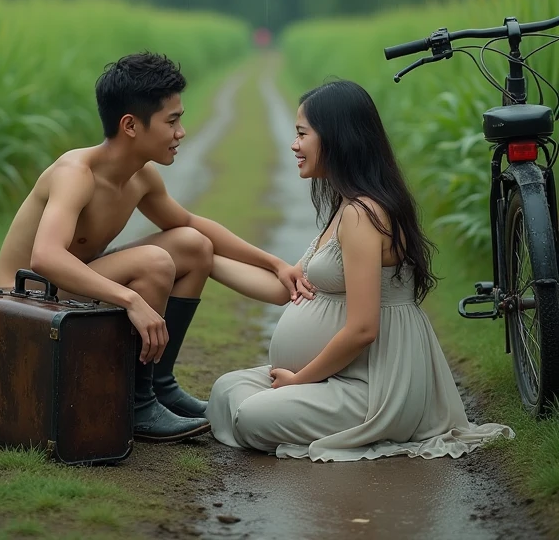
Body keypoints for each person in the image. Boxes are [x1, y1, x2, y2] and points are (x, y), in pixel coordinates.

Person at [0, 52, 300, 443]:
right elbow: (46, 257)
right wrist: (132, 300)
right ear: (130, 125)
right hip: (22, 301)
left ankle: (159, 385)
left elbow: (189, 224)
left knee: (193, 245)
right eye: (172, 121)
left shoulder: (141, 177)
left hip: (65, 289)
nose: (181, 132)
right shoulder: (76, 174)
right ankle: (137, 407)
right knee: (155, 262)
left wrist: (275, 264)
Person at [206, 79, 514, 460]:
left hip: (375, 385)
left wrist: (298, 381)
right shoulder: (345, 207)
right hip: (337, 377)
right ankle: (298, 403)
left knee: (250, 415)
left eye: (302, 134)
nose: (294, 145)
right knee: (223, 390)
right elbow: (283, 287)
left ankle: (319, 411)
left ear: (336, 138)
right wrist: (206, 261)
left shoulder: (362, 215)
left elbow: (364, 329)